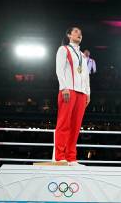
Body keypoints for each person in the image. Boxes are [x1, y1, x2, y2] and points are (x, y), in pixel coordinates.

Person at [55, 27, 90, 166]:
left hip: (81, 93)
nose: (79, 34)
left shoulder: (82, 55)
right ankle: (60, 156)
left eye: (80, 33)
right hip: (68, 90)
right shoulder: (63, 49)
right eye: (76, 32)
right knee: (64, 124)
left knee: (76, 126)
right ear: (68, 34)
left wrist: (88, 92)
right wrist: (63, 87)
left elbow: (86, 75)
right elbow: (59, 69)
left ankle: (71, 157)